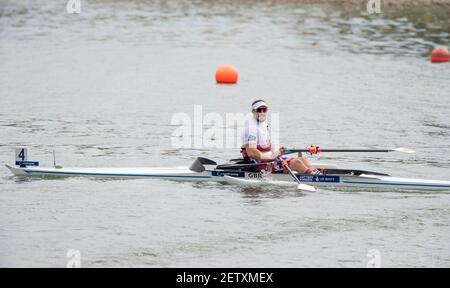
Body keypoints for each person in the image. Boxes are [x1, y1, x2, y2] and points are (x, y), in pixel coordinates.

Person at [241, 100, 321, 175]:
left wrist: (277, 151)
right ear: (253, 112)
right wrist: (273, 155)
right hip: (260, 165)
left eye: (264, 110)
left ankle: (318, 174)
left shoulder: (264, 127)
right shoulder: (251, 130)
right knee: (297, 163)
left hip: (270, 160)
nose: (262, 112)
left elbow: (269, 147)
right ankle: (316, 178)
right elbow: (252, 153)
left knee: (302, 160)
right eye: (259, 110)